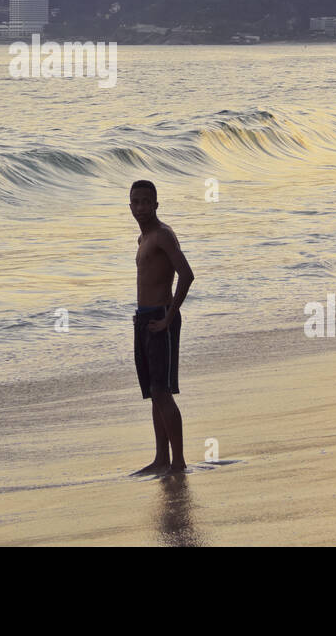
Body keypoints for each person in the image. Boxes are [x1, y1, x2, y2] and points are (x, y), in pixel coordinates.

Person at [128, 179, 194, 475]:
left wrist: (169, 317)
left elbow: (187, 275)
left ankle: (178, 461)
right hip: (145, 318)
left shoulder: (163, 235)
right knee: (154, 392)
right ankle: (161, 459)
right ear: (130, 206)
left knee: (162, 391)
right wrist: (139, 317)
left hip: (161, 318)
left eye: (146, 202)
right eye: (136, 202)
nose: (141, 207)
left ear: (156, 204)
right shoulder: (142, 240)